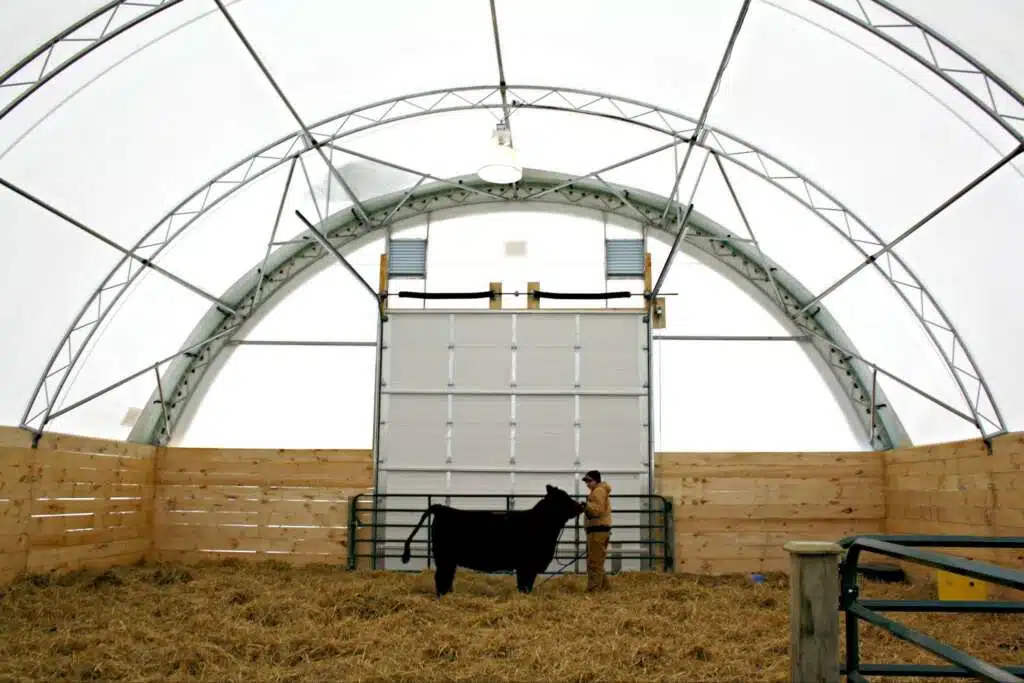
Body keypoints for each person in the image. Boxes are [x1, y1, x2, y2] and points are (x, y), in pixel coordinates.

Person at [581, 470, 612, 592]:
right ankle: (605, 588)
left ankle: (594, 591)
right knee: (597, 561)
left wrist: (586, 506)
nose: (587, 484)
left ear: (596, 480)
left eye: (589, 481)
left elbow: (597, 510)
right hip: (599, 530)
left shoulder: (598, 491)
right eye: (586, 481)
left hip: (597, 531)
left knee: (594, 563)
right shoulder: (599, 491)